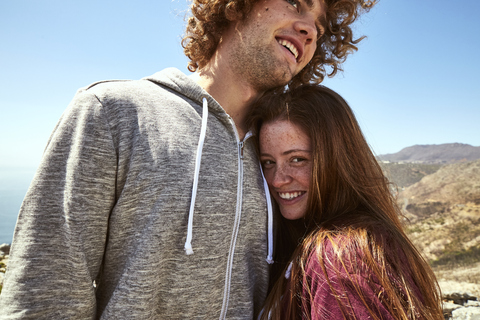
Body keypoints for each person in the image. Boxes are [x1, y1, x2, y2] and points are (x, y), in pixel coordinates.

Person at [0, 1, 376, 319]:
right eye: (296, 2)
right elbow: (46, 285)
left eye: (321, 26)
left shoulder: (283, 151)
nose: (310, 28)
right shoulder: (113, 111)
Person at [249, 85, 444, 319]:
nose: (278, 181)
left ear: (338, 160)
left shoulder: (341, 259)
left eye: (297, 159)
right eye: (268, 162)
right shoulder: (315, 240)